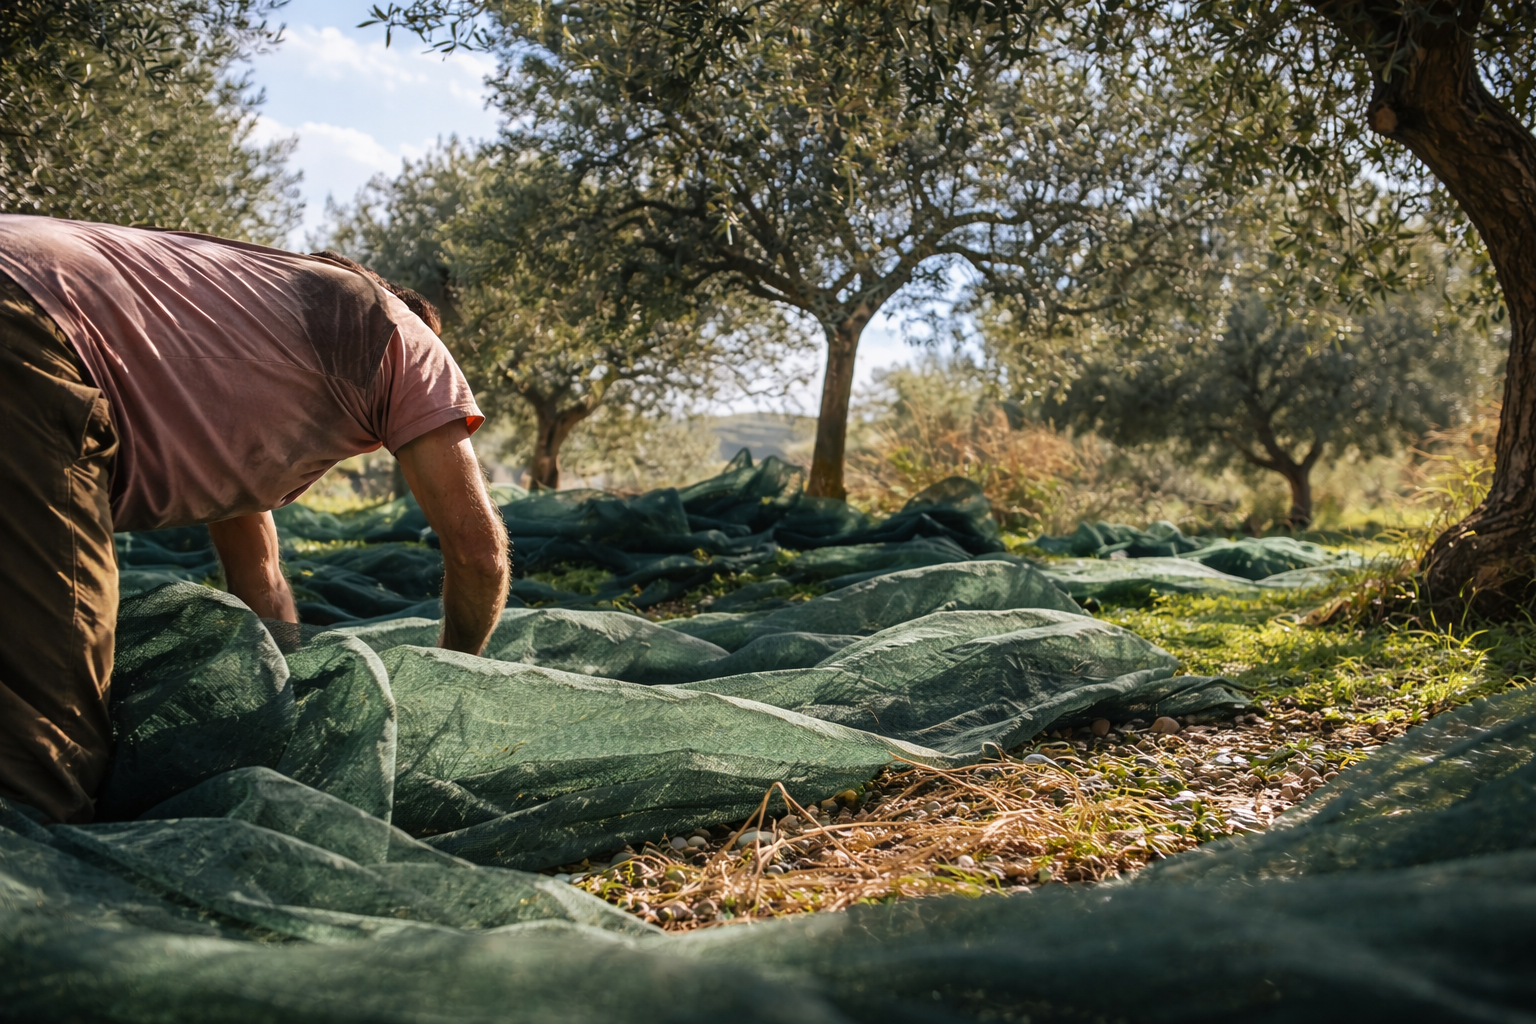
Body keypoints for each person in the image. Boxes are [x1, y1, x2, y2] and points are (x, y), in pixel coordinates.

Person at [0, 215, 509, 825]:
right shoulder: (401, 333)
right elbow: (479, 555)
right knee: (51, 734)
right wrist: (455, 673)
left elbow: (259, 576)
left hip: (23, 268)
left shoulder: (249, 341)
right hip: (31, 321)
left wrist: (283, 703)